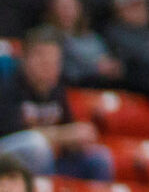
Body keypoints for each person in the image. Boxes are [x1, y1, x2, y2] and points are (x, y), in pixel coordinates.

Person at [0, 29, 115, 180]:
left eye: (54, 60)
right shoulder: (8, 86)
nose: (48, 66)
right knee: (37, 146)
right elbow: (15, 135)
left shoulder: (57, 90)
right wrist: (62, 135)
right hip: (10, 162)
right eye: (42, 58)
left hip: (50, 162)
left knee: (98, 158)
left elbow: (68, 129)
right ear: (25, 58)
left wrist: (80, 139)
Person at [39, 0, 122, 87]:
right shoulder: (47, 36)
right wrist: (96, 68)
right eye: (62, 7)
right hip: (72, 86)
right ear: (52, 9)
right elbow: (66, 69)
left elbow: (106, 58)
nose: (66, 12)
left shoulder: (92, 37)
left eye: (70, 7)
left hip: (102, 86)